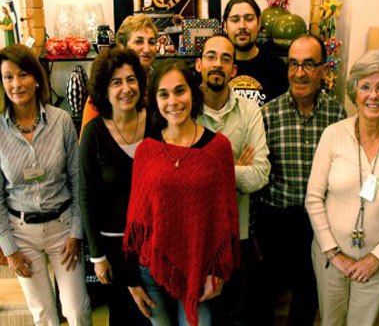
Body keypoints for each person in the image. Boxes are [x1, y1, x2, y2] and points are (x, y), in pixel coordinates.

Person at [123, 59, 240, 326]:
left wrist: (218, 271)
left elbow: (228, 216)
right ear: (154, 100)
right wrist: (132, 279)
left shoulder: (218, 148)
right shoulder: (147, 151)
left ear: (192, 92)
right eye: (163, 94)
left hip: (201, 267)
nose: (173, 101)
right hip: (153, 268)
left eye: (180, 91)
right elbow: (136, 221)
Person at [254, 34, 347, 325]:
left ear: (323, 69)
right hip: (275, 220)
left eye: (308, 65)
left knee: (308, 293)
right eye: (293, 64)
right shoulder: (268, 114)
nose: (299, 73)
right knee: (265, 294)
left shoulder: (337, 114)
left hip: (317, 222)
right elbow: (258, 175)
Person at [306, 49, 379, 326]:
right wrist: (333, 253)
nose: (373, 95)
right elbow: (313, 199)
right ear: (354, 92)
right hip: (330, 260)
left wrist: (377, 258)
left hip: (378, 265)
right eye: (365, 86)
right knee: (330, 322)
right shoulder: (333, 135)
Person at [0, 44, 92, 325]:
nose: (16, 84)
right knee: (43, 314)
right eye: (8, 77)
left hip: (63, 230)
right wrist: (9, 249)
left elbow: (78, 181)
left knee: (76, 310)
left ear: (38, 78)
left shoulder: (61, 121)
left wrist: (77, 232)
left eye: (23, 74)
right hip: (21, 233)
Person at [196, 35, 270, 326]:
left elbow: (259, 176)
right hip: (195, 235)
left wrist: (208, 170)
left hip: (236, 237)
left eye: (226, 59)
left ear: (234, 70)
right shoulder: (185, 108)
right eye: (211, 57)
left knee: (233, 317)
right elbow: (179, 179)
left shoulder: (249, 110)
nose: (218, 64)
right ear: (199, 64)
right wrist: (232, 167)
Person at [79, 48, 150, 325]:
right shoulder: (94, 132)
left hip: (154, 243)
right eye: (116, 82)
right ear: (103, 89)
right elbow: (86, 195)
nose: (126, 88)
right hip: (114, 245)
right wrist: (97, 255)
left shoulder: (156, 122)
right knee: (123, 315)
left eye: (131, 79)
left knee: (155, 314)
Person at [80, 14, 158, 133]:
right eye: (139, 42)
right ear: (122, 46)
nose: (147, 49)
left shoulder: (159, 81)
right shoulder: (105, 85)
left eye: (151, 42)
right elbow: (88, 137)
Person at [222, 0, 288, 107]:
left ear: (259, 23)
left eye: (249, 19)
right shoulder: (218, 67)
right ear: (225, 26)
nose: (242, 26)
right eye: (235, 20)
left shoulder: (277, 68)